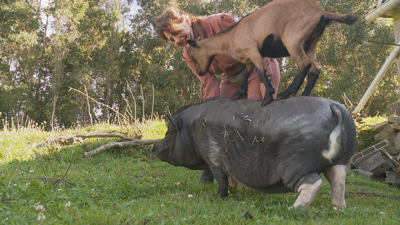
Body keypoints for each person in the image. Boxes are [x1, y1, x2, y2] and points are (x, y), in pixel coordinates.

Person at [156, 8, 281, 184]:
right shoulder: (189, 55)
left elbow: (255, 42)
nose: (177, 40)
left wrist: (264, 78)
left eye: (176, 32)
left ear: (185, 19)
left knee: (253, 123)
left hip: (256, 69)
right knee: (220, 122)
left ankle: (262, 174)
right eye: (172, 39)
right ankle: (215, 169)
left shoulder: (219, 23)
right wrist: (208, 113)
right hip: (230, 79)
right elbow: (209, 83)